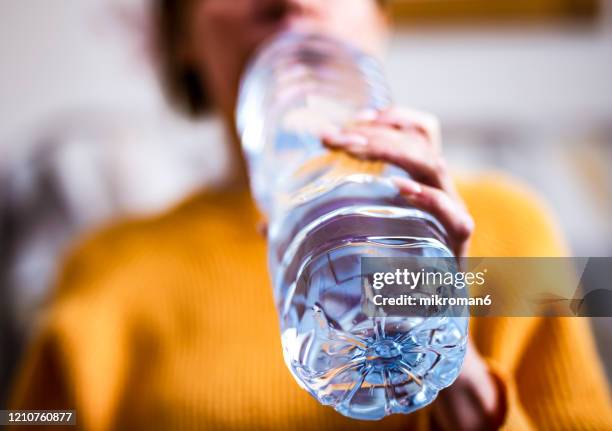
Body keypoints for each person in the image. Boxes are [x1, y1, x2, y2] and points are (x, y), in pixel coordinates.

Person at [10, 1, 612, 430]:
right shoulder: (105, 263)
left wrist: (456, 367)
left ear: (379, 17)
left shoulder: (511, 227)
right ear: (181, 36)